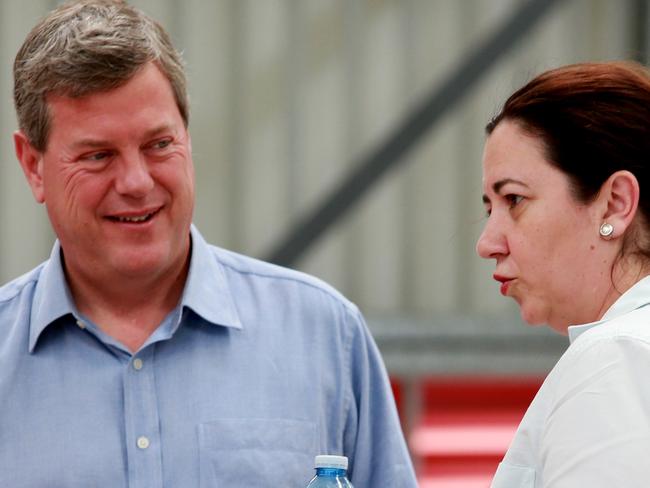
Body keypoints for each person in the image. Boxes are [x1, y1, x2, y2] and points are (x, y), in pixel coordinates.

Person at [1, 1, 418, 486]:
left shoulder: (325, 337)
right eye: (98, 155)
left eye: (159, 144)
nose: (136, 181)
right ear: (33, 165)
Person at [477, 60, 650, 487]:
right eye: (488, 208)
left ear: (615, 204)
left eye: (514, 199)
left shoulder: (616, 358)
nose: (487, 243)